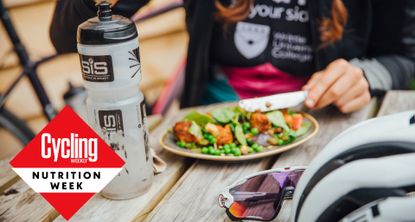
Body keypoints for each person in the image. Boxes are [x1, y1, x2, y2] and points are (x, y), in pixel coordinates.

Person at [50, 0, 415, 113]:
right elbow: (67, 38)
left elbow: (403, 58)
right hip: (208, 129)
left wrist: (363, 76)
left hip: (320, 126)